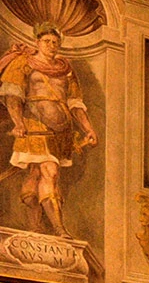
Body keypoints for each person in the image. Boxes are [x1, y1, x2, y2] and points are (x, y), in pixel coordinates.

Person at [0, 24, 97, 237]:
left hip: (61, 132)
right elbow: (13, 95)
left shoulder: (66, 69)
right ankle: (59, 229)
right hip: (34, 125)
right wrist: (18, 123)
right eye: (47, 41)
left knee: (37, 173)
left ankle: (35, 228)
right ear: (37, 42)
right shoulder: (24, 62)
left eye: (55, 42)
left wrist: (88, 128)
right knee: (49, 172)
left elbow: (75, 103)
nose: (51, 46)